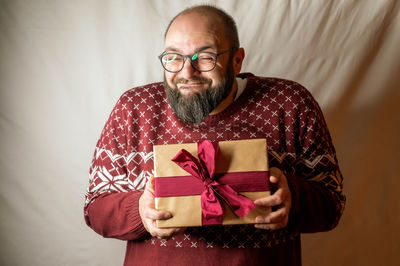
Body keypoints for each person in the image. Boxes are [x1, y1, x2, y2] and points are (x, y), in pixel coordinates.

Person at [84, 4, 345, 266]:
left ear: (237, 60)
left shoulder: (290, 104)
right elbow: (95, 210)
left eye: (205, 57)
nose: (187, 72)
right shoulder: (134, 109)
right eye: (174, 57)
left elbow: (332, 205)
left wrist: (294, 198)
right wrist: (139, 211)